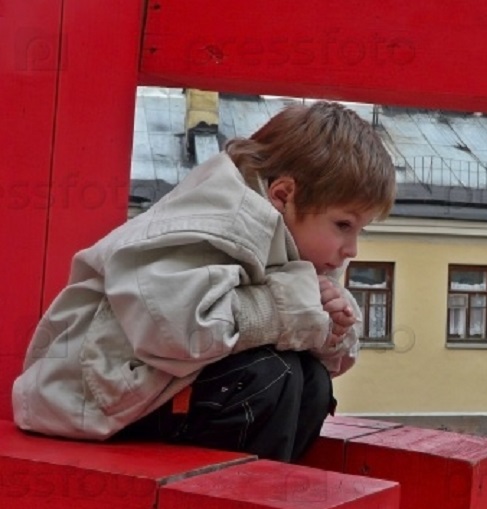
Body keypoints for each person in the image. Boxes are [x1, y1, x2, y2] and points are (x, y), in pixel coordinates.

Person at [12, 101, 396, 462]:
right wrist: (291, 310)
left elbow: (300, 326)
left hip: (149, 391)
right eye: (343, 225)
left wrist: (329, 327)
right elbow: (173, 328)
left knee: (310, 381)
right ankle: (237, 500)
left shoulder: (298, 243)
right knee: (269, 376)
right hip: (89, 396)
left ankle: (264, 496)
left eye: (360, 229)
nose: (352, 249)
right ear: (283, 195)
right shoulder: (220, 219)